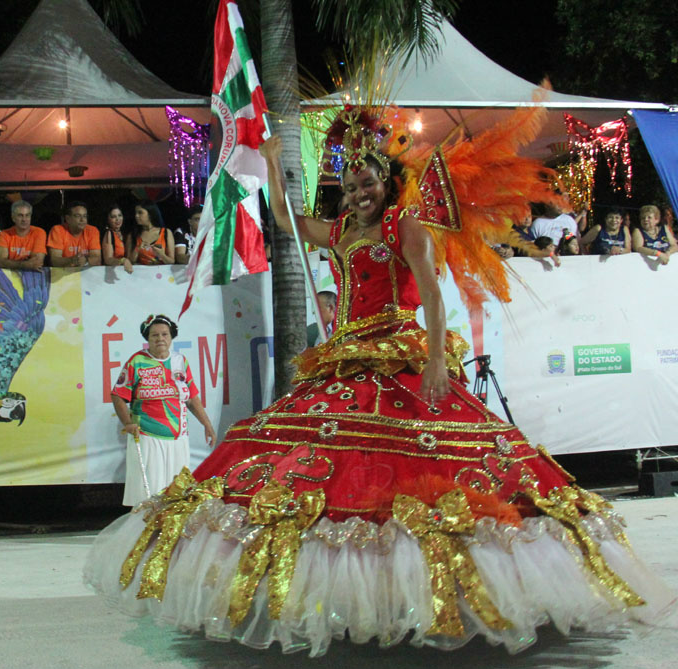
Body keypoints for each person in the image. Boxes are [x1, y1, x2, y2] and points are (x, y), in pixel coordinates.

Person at [84, 109, 673, 654]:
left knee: (419, 471)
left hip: (400, 357)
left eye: (369, 182)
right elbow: (287, 222)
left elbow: (434, 297)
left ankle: (438, 596)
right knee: (318, 464)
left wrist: (439, 360)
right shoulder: (340, 230)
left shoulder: (406, 226)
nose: (360, 192)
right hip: (343, 360)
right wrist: (268, 162)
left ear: (388, 184)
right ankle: (353, 598)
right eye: (351, 184)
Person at [111, 315, 216, 506]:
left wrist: (206, 424)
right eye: (154, 335)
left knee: (177, 490)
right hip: (147, 434)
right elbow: (118, 394)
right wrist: (128, 423)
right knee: (149, 494)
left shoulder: (180, 361)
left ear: (171, 337)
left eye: (164, 334)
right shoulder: (137, 361)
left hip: (178, 436)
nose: (160, 339)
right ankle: (144, 531)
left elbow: (191, 398)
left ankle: (170, 532)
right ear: (148, 339)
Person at [0, 200, 46, 271]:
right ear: (13, 218)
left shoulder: (39, 232)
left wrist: (11, 263)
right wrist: (25, 264)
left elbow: (37, 262)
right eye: (20, 215)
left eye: (27, 215)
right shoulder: (4, 234)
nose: (24, 219)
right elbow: (0, 262)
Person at [47, 201, 101, 267]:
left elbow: (97, 259)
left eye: (85, 216)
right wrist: (72, 260)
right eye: (78, 216)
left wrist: (86, 261)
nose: (82, 220)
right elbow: (54, 261)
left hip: (86, 274)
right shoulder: (57, 230)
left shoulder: (92, 231)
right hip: (63, 274)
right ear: (67, 219)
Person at [128, 200, 174, 265]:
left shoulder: (166, 233)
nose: (136, 216)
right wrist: (137, 249)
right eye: (135, 213)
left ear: (150, 214)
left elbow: (171, 261)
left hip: (161, 273)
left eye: (140, 213)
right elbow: (129, 262)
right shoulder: (133, 235)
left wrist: (161, 254)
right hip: (140, 273)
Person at [101, 204, 133, 272]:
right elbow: (108, 260)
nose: (117, 219)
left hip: (124, 273)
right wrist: (123, 260)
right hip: (111, 272)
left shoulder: (125, 234)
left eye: (120, 215)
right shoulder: (109, 233)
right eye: (113, 217)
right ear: (108, 219)